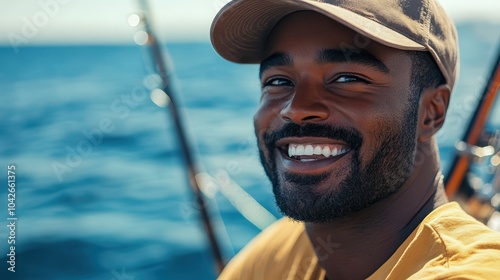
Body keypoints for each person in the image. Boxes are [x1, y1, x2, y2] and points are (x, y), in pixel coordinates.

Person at [210, 0, 500, 279]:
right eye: (278, 82)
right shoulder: (279, 253)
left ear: (431, 113)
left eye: (347, 78)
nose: (296, 110)